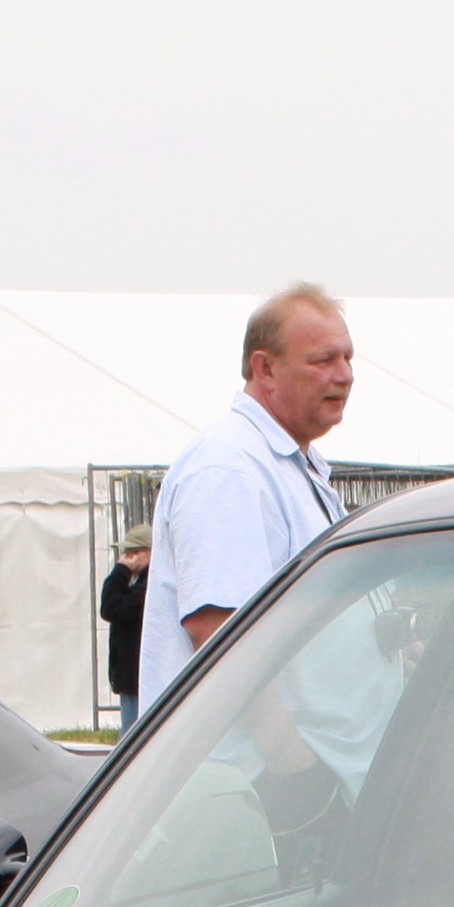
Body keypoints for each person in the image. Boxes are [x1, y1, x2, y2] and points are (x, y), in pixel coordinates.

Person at [135, 285, 354, 714]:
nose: (344, 375)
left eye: (348, 358)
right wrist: (286, 750)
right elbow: (223, 642)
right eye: (323, 360)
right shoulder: (228, 469)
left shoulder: (288, 465)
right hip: (252, 757)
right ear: (265, 368)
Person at [98, 527, 148, 723]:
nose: (128, 557)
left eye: (135, 552)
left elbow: (111, 607)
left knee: (134, 732)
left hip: (136, 679)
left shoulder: (147, 587)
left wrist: (120, 571)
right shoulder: (142, 585)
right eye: (126, 552)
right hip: (134, 679)